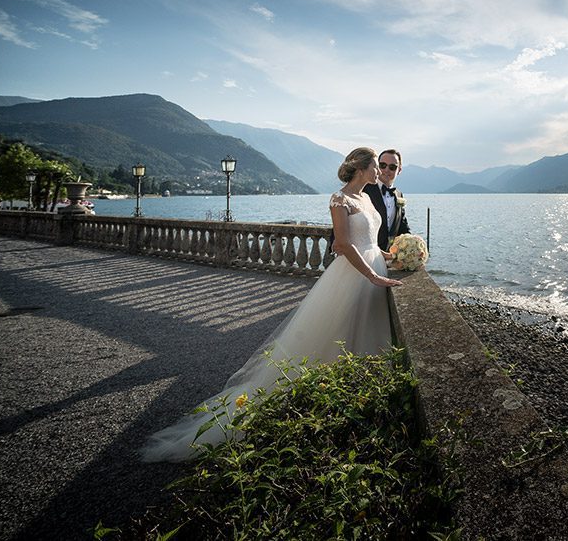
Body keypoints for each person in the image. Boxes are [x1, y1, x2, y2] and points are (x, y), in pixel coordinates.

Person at [141, 147, 402, 462]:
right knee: (335, 335)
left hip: (374, 268)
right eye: (376, 165)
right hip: (354, 275)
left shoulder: (368, 198)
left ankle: (361, 402)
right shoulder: (339, 199)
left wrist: (395, 255)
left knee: (365, 332)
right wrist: (373, 274)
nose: (379, 171)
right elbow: (344, 244)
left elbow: (371, 241)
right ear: (361, 168)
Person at [363, 148, 410, 251]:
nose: (386, 170)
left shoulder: (399, 195)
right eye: (383, 165)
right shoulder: (364, 190)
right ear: (377, 166)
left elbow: (401, 225)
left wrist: (413, 244)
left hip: (390, 254)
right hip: (367, 253)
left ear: (399, 170)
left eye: (392, 167)